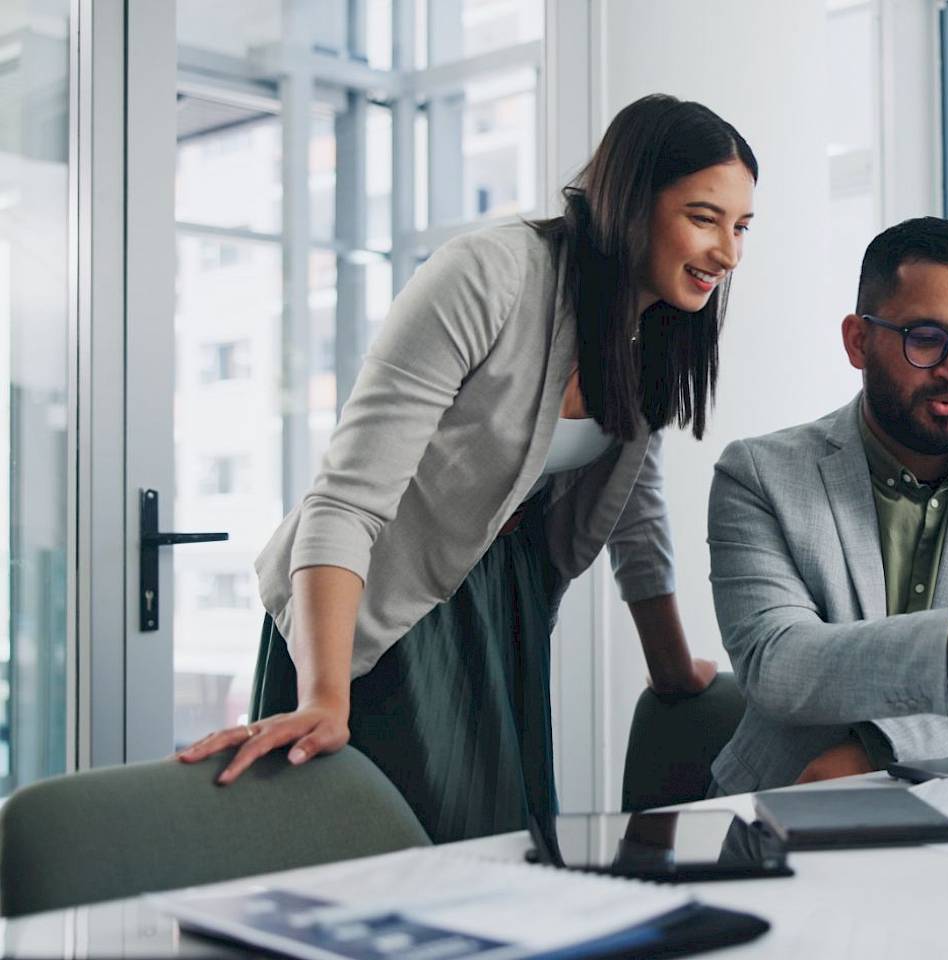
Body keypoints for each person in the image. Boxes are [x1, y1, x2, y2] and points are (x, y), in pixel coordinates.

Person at [176, 94, 757, 843]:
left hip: (498, 601)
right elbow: (345, 500)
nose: (729, 254)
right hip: (373, 602)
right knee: (404, 860)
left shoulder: (654, 329)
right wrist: (325, 695)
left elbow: (630, 503)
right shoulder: (492, 274)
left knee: (498, 854)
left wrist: (672, 668)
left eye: (741, 227)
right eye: (704, 218)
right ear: (628, 203)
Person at [706, 217, 948, 794]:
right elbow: (778, 665)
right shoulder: (759, 475)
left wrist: (879, 749)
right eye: (925, 339)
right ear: (858, 341)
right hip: (783, 798)